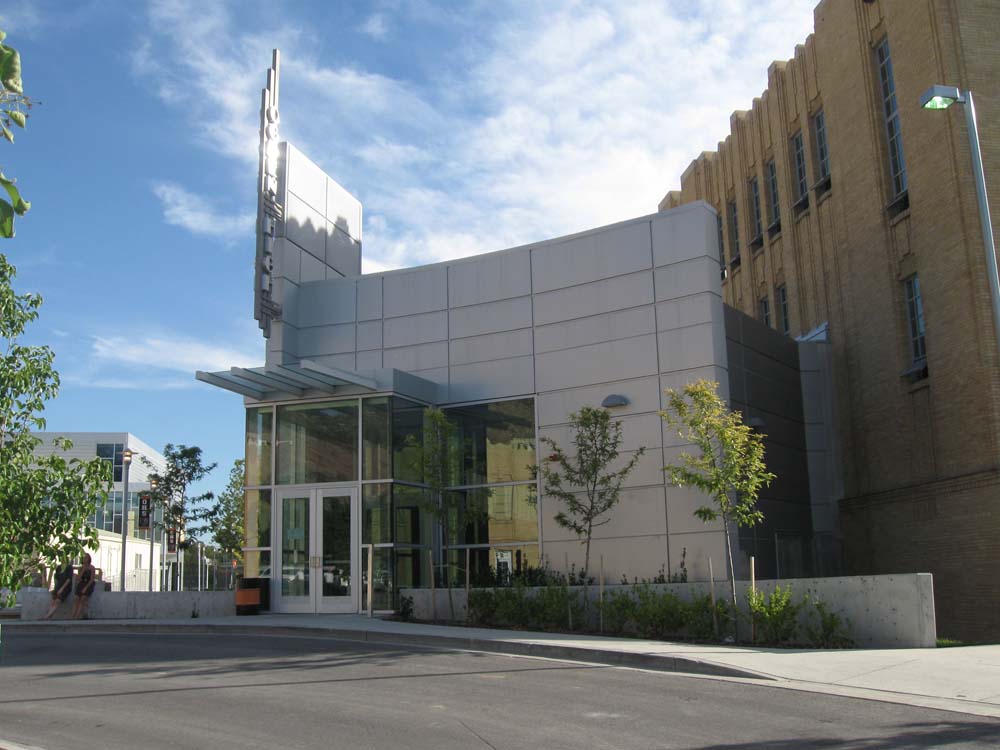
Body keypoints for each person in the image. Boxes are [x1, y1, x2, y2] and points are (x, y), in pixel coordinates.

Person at [71, 553, 96, 620]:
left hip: (88, 584)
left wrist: (86, 587)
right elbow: (78, 578)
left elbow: (92, 579)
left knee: (83, 599)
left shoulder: (92, 568)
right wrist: (83, 570)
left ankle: (77, 616)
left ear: (89, 559)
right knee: (76, 599)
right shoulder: (81, 568)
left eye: (86, 558)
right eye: (84, 558)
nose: (85, 559)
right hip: (81, 583)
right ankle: (73, 616)